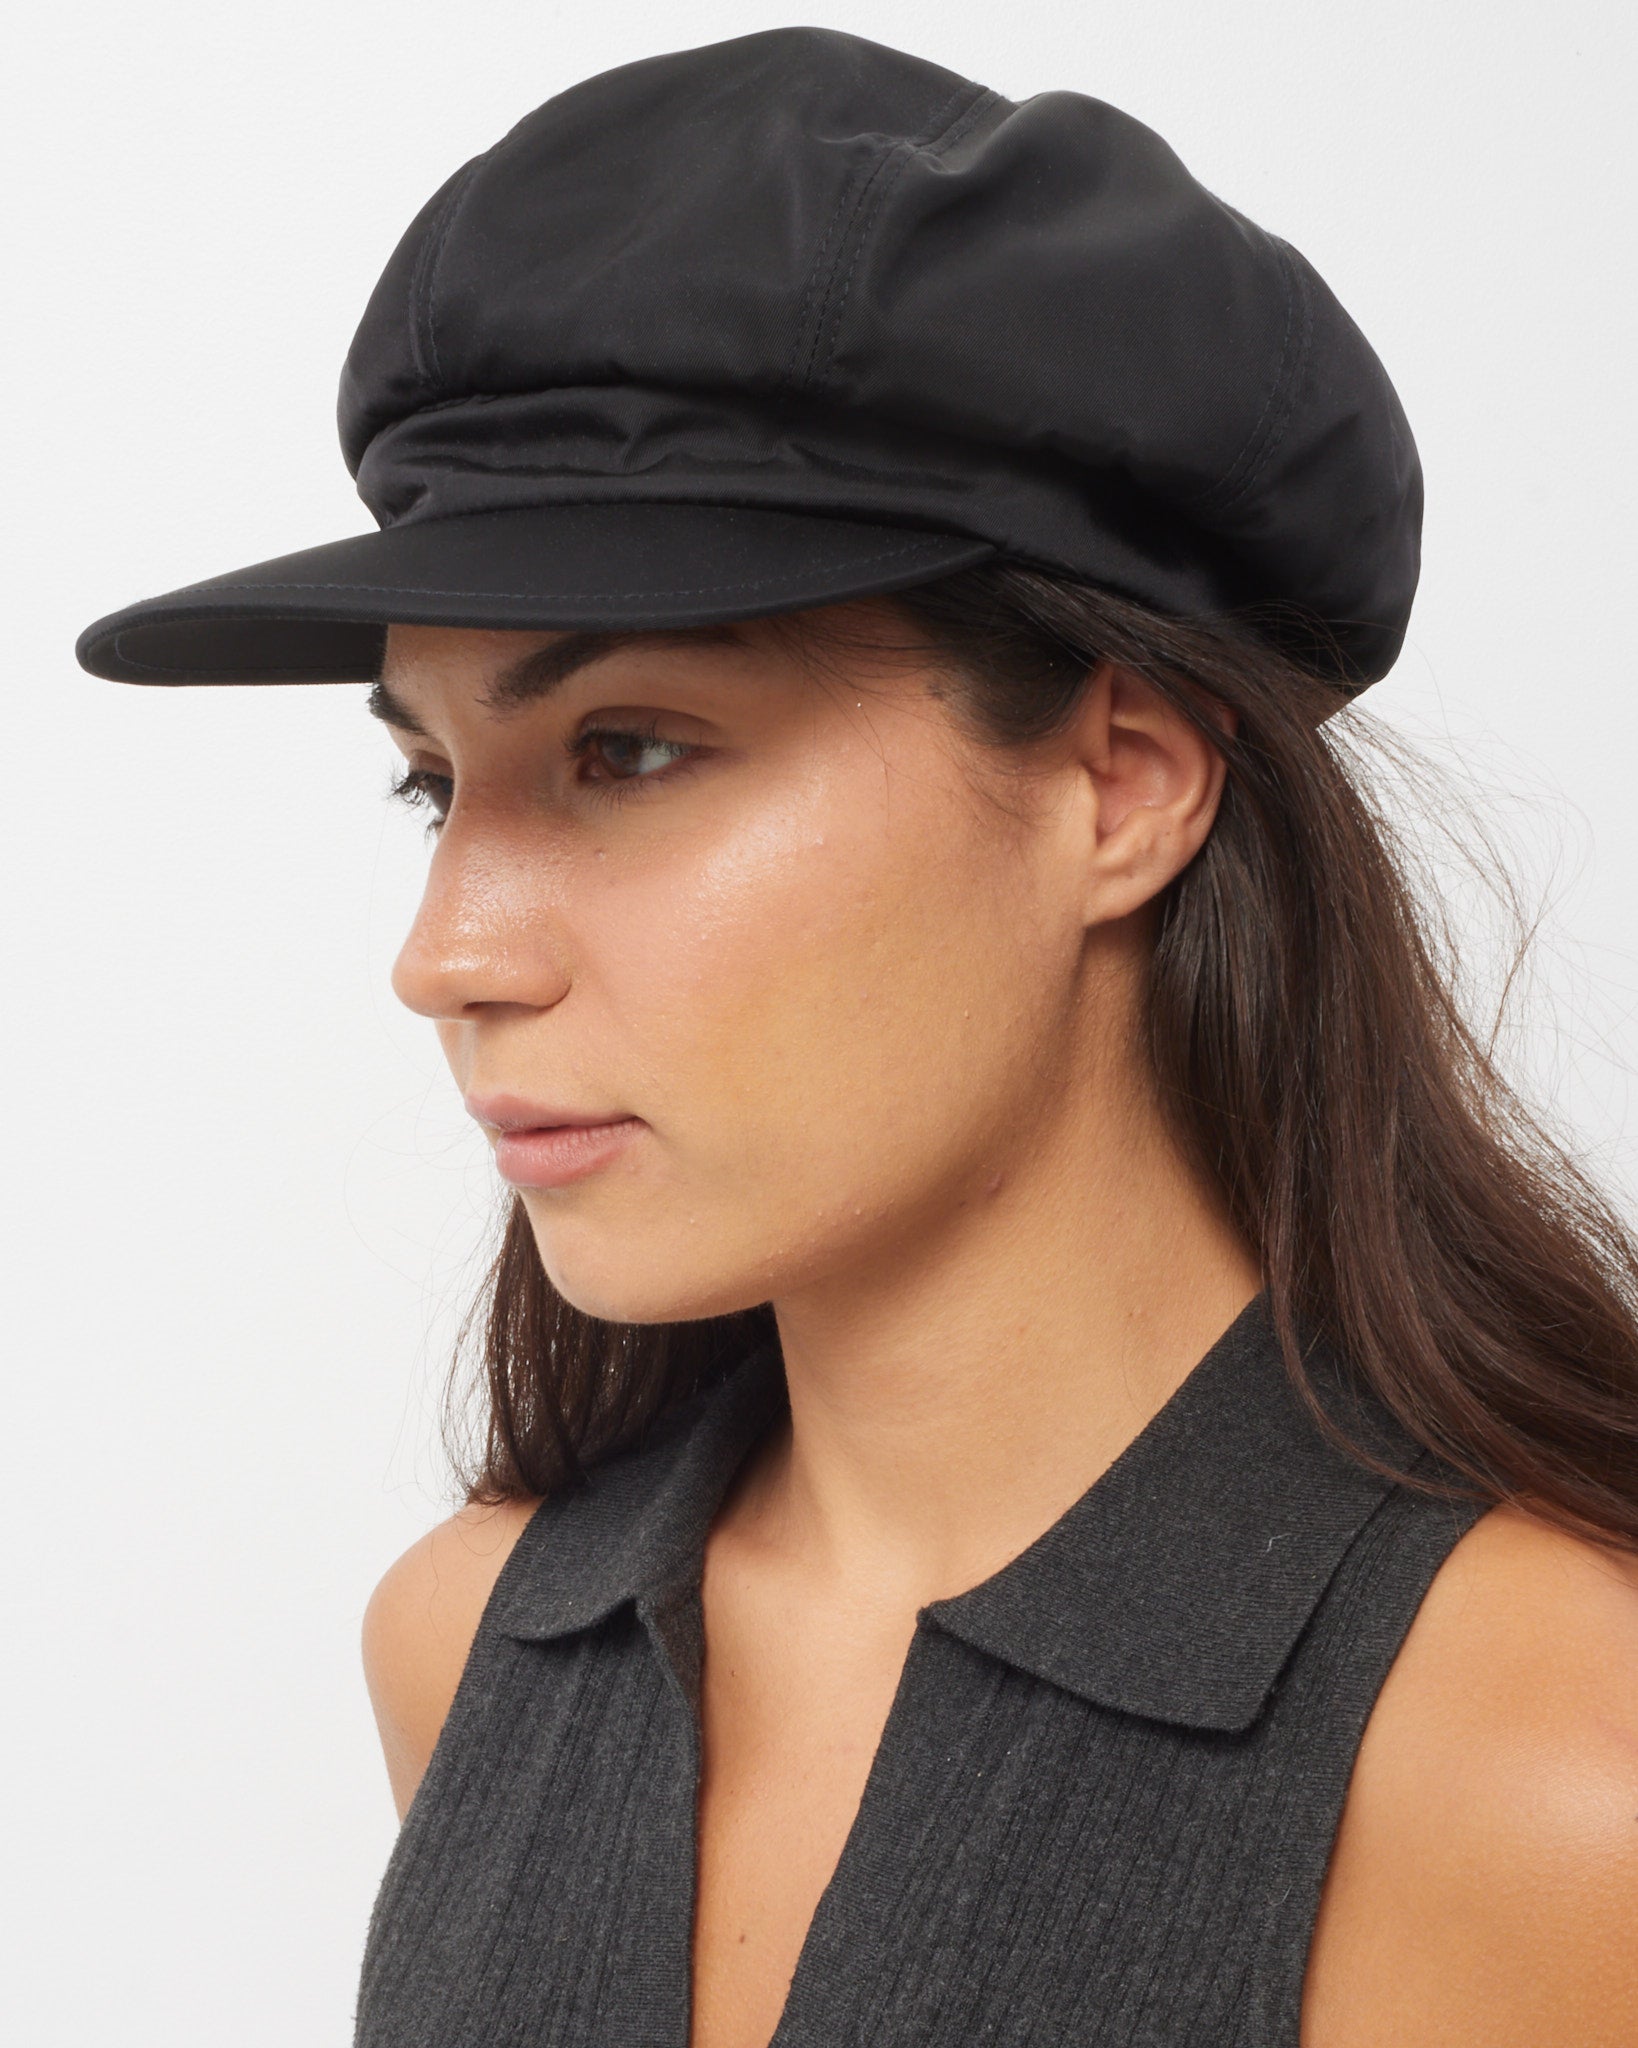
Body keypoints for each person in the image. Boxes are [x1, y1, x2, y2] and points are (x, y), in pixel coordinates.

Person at [75, 26, 1638, 2048]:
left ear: (1120, 785)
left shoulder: (1554, 1776)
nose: (446, 952)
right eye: (431, 784)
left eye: (630, 750)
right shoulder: (473, 1647)